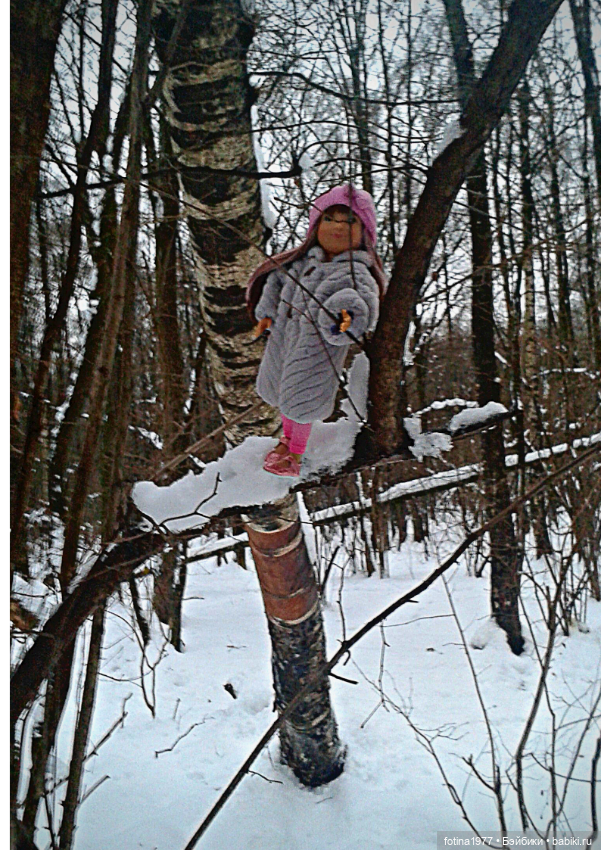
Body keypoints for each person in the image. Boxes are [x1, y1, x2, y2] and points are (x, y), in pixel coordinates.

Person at [246, 183, 387, 476]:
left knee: (301, 401)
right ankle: (286, 441)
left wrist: (346, 316)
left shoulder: (354, 271)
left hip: (316, 349)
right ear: (315, 226)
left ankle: (296, 455)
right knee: (282, 396)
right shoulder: (300, 264)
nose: (337, 227)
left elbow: (363, 303)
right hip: (284, 341)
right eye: (329, 219)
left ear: (365, 233)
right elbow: (276, 285)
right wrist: (267, 315)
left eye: (349, 221)